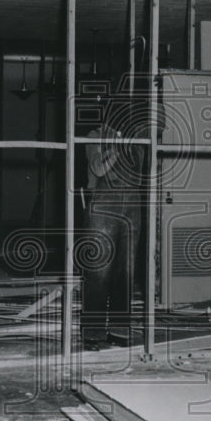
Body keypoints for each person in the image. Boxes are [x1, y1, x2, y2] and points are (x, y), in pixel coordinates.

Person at [80, 107, 145, 347]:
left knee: (125, 272)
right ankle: (93, 332)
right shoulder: (93, 136)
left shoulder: (137, 141)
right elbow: (98, 168)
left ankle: (119, 329)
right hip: (103, 209)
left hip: (132, 209)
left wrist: (133, 144)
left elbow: (141, 176)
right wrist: (117, 146)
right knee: (98, 271)